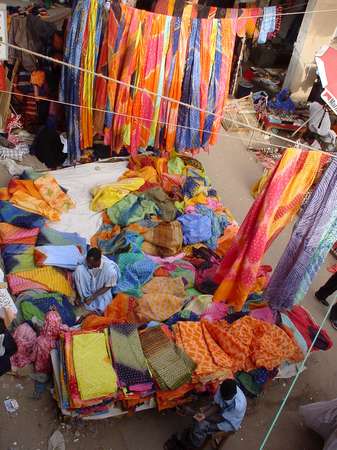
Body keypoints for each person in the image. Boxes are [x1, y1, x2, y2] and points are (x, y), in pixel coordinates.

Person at [168, 380, 247, 449]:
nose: (223, 398)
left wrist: (194, 413)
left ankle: (194, 446)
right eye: (222, 396)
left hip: (228, 422)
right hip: (222, 413)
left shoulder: (238, 406)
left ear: (232, 395)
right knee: (199, 416)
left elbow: (220, 418)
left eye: (225, 398)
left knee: (201, 425)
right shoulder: (223, 388)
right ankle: (193, 437)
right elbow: (217, 405)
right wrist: (204, 415)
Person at [73, 247, 120, 314]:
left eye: (91, 263)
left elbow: (109, 286)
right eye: (88, 262)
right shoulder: (86, 259)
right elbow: (77, 275)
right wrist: (78, 296)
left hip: (101, 291)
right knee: (79, 270)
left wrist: (92, 297)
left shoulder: (110, 270)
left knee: (103, 309)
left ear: (98, 261)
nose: (89, 265)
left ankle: (93, 307)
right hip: (89, 288)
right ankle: (83, 298)